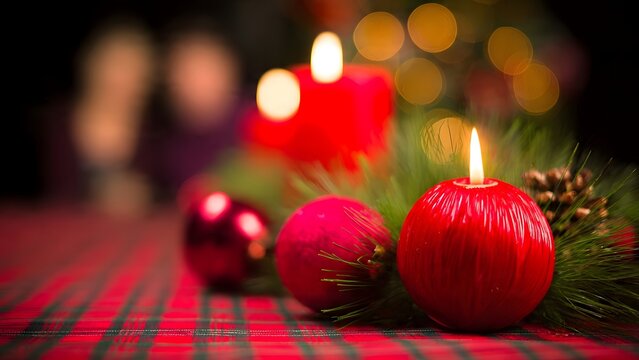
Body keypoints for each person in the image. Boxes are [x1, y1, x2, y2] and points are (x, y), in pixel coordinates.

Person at [43, 19, 155, 216]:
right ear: (93, 67)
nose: (126, 81)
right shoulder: (55, 126)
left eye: (135, 71)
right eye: (118, 67)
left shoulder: (151, 135)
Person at [152, 20, 245, 198]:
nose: (196, 82)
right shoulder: (162, 143)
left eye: (204, 69)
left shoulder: (257, 127)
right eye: (186, 71)